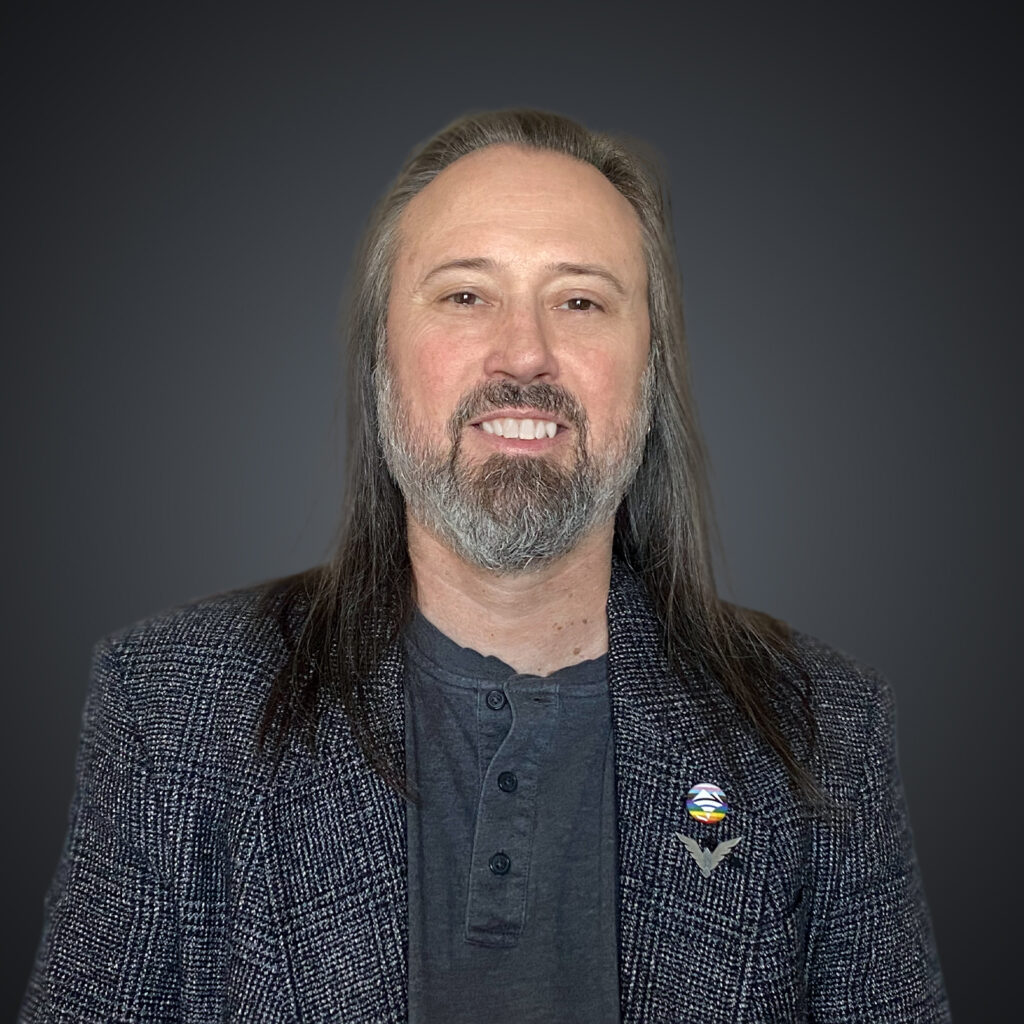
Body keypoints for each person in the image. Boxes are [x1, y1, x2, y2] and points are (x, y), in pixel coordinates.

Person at [20, 109, 950, 1023]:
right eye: (466, 295)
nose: (526, 353)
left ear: (650, 372)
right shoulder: (171, 708)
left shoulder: (821, 728)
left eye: (580, 301)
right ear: (383, 360)